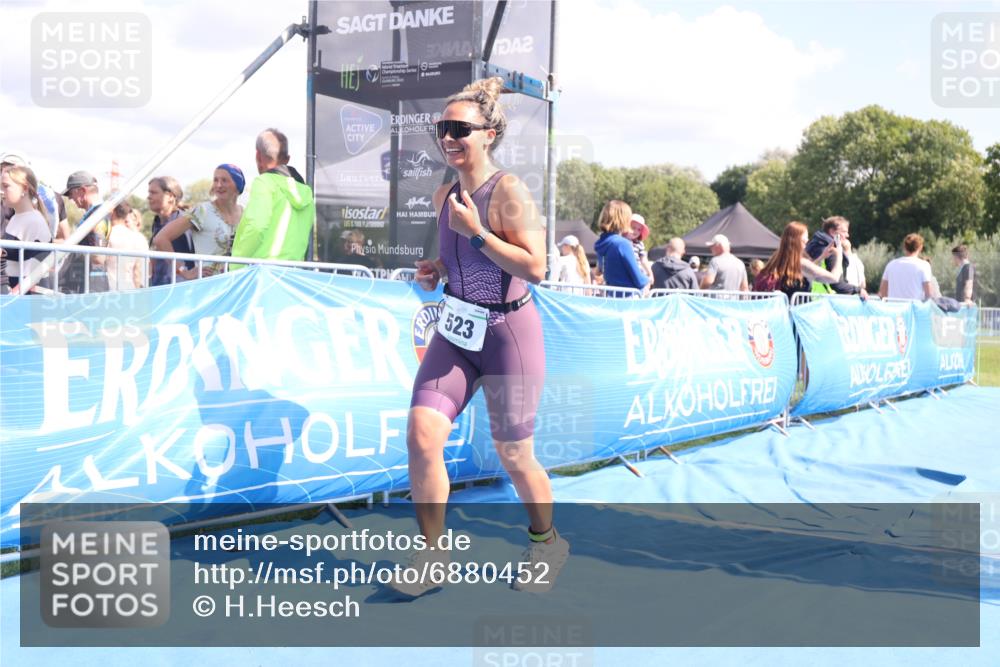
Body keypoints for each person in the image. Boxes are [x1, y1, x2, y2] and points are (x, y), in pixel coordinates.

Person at [396, 77, 566, 597]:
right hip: (456, 329)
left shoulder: (508, 190)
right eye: (441, 128)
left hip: (508, 333)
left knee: (515, 455)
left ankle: (546, 542)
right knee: (422, 435)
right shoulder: (443, 192)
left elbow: (535, 268)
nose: (447, 137)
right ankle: (433, 559)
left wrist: (478, 234)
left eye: (459, 129)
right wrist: (436, 269)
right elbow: (459, 263)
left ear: (488, 134)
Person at [230, 128, 315, 266]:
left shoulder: (264, 182)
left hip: (264, 274)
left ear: (258, 156)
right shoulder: (307, 192)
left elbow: (256, 227)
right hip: (293, 275)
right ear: (287, 159)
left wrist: (236, 264)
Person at [152, 165, 244, 279]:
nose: (219, 185)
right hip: (208, 288)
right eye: (216, 180)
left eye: (224, 180)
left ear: (237, 185)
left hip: (238, 286)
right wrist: (183, 271)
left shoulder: (246, 214)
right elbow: (161, 238)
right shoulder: (203, 210)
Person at [753, 221, 845, 299]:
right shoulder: (801, 263)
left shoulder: (777, 258)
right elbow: (834, 278)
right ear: (798, 240)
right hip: (797, 315)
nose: (808, 240)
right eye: (806, 237)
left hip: (782, 315)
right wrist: (839, 253)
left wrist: (822, 256)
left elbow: (806, 272)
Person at [1, 165, 52, 293]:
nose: (1, 191)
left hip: (27, 303)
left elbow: (33, 276)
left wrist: (10, 297)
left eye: (6, 186)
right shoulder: (16, 218)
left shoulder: (34, 222)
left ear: (24, 188)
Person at [1, 150, 70, 240]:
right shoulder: (18, 216)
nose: (3, 174)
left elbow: (64, 238)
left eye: (6, 186)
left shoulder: (33, 221)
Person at [60, 170, 109, 293]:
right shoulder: (94, 214)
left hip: (91, 287)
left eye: (71, 194)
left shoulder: (99, 214)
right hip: (87, 283)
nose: (71, 199)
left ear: (82, 191)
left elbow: (98, 257)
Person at [594, 200, 649, 293]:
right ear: (623, 219)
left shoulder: (601, 243)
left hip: (611, 297)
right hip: (628, 299)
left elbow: (601, 271)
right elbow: (639, 280)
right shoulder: (622, 244)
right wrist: (648, 279)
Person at [805, 216, 867, 298]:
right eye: (844, 232)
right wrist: (858, 290)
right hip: (823, 301)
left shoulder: (814, 245)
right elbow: (836, 284)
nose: (847, 235)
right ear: (832, 232)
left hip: (811, 298)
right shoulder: (831, 251)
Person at [147, 176, 194, 285]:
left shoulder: (183, 221)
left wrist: (183, 271)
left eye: (153, 193)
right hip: (159, 286)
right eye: (149, 193)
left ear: (171, 197)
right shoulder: (157, 222)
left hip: (179, 288)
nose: (148, 197)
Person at [105, 202, 148, 290]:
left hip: (110, 287)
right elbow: (137, 271)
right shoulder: (135, 237)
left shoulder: (108, 234)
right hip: (129, 288)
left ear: (112, 211)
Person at [878, 233, 935, 301]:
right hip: (914, 310)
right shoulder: (924, 265)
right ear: (920, 248)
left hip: (893, 308)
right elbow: (929, 294)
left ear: (904, 247)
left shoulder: (891, 265)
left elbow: (882, 293)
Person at [625, 213, 654, 284]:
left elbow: (643, 259)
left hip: (637, 272)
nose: (636, 231)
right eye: (633, 227)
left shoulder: (639, 244)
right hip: (625, 272)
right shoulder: (621, 241)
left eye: (639, 229)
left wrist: (650, 274)